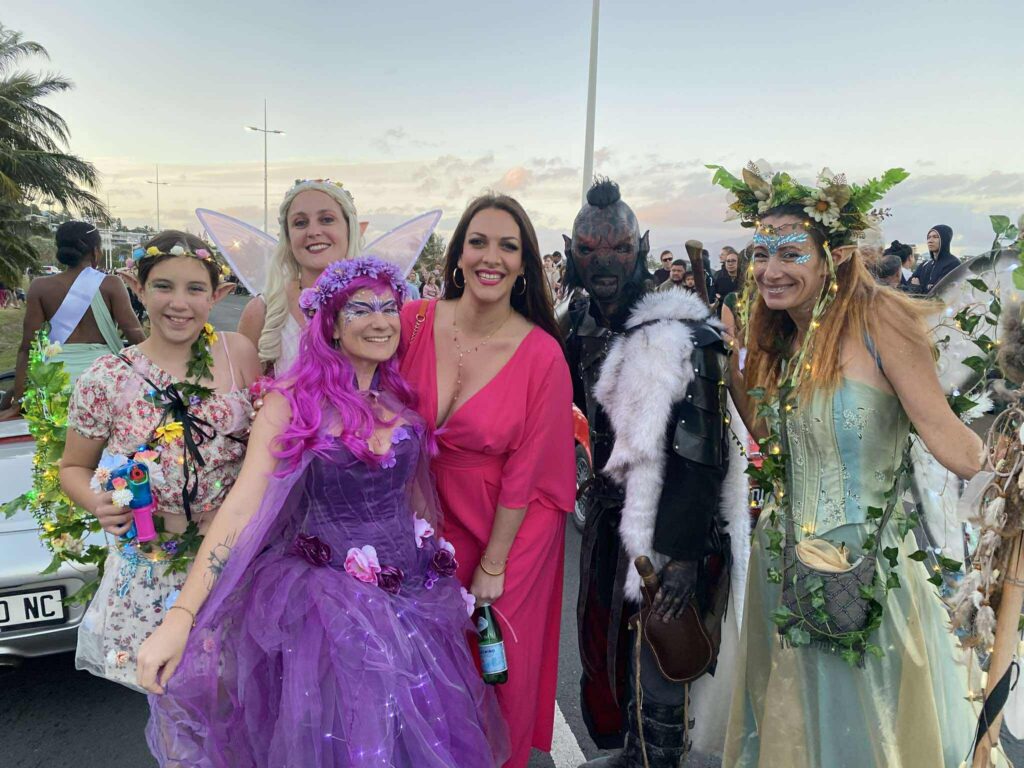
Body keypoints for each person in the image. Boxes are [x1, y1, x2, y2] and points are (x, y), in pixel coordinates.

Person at [136, 256, 508, 767]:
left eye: (389, 308)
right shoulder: (291, 403)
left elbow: (415, 498)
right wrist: (181, 617)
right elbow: (242, 509)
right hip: (328, 609)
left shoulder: (397, 399)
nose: (380, 321)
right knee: (346, 739)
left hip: (413, 596)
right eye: (361, 309)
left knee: (415, 735)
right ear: (330, 323)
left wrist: (447, 566)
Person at [711, 163, 979, 767]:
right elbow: (769, 445)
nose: (771, 270)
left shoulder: (881, 321)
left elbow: (949, 440)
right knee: (791, 736)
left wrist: (1006, 473)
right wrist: (732, 365)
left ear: (833, 257)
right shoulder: (782, 337)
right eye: (761, 253)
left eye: (791, 253)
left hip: (864, 577)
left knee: (864, 740)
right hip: (783, 568)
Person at [565, 179, 748, 767]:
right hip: (608, 518)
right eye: (590, 249)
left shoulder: (685, 331)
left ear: (640, 247)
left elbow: (704, 455)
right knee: (609, 654)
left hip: (671, 523)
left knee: (664, 660)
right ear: (571, 251)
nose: (604, 263)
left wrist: (685, 556)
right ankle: (631, 754)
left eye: (618, 248)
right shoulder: (576, 323)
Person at [399, 194, 575, 768]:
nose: (490, 257)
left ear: (524, 265)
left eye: (508, 246)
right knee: (426, 659)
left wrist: (494, 564)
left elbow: (529, 468)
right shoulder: (413, 321)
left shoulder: (542, 353)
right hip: (426, 511)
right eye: (478, 242)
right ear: (458, 254)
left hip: (513, 525)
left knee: (496, 666)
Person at [58, 232, 260, 690]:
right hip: (153, 570)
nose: (179, 303)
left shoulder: (239, 355)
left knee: (243, 698)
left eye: (195, 288)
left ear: (219, 295)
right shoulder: (107, 378)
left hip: (235, 565)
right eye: (163, 286)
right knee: (173, 701)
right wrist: (97, 503)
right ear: (137, 287)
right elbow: (73, 468)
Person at [0, 221, 145, 419]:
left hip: (54, 384)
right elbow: (135, 335)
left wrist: (17, 402)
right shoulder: (110, 284)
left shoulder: (40, 286)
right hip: (103, 379)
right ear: (95, 252)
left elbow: (27, 348)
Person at [238, 179, 362, 374]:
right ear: (288, 237)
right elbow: (243, 389)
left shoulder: (386, 303)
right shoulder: (262, 311)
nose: (313, 232)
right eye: (300, 223)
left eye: (327, 219)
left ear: (349, 227)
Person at [907, 224, 958, 294]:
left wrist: (917, 288)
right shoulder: (925, 265)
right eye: (929, 237)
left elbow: (939, 293)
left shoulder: (953, 264)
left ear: (945, 239)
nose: (930, 241)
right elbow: (908, 285)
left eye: (935, 237)